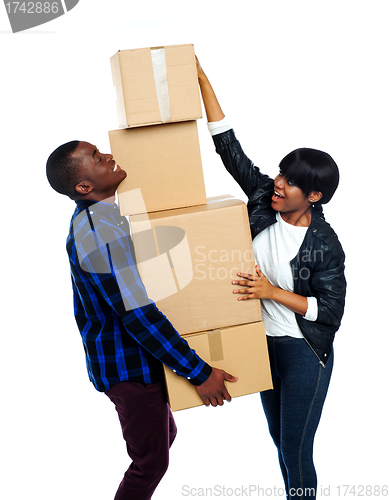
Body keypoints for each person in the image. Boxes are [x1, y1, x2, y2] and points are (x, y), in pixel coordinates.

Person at [46, 140, 237, 500]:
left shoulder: (105, 218)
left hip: (135, 362)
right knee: (150, 463)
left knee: (164, 438)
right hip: (128, 368)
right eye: (98, 159)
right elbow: (138, 315)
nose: (109, 156)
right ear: (83, 187)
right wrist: (199, 372)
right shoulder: (99, 232)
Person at [197, 59, 346, 500]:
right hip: (262, 347)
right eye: (280, 173)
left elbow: (330, 312)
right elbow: (229, 147)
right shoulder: (264, 198)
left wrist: (272, 292)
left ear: (314, 196)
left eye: (291, 182)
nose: (278, 184)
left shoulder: (325, 244)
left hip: (303, 352)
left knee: (297, 450)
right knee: (281, 445)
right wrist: (203, 80)